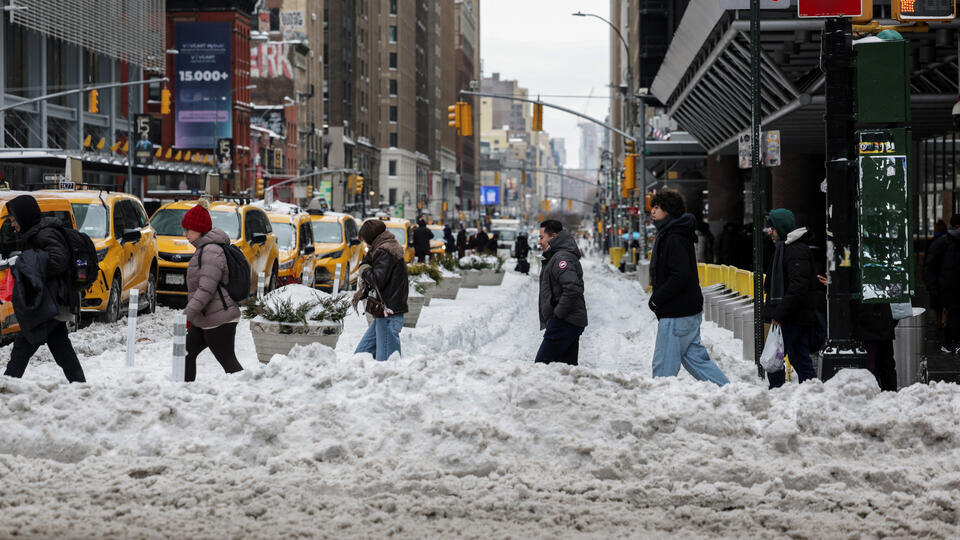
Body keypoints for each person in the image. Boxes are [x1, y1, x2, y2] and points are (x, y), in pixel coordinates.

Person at [647, 189, 729, 386]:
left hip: (676, 312)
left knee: (663, 369)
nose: (653, 211)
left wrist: (657, 298)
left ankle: (659, 402)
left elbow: (680, 275)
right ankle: (728, 391)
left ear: (669, 210)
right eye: (653, 207)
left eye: (657, 207)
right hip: (686, 310)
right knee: (696, 360)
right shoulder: (675, 233)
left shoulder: (673, 237)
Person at [3, 195, 85, 383]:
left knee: (24, 343)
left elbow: (58, 261)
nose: (13, 225)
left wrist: (26, 262)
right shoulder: (36, 233)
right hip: (53, 301)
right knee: (61, 347)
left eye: (14, 220)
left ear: (23, 217)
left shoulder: (44, 234)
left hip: (52, 301)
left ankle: (6, 386)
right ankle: (80, 385)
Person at [181, 199, 244, 382]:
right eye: (184, 229)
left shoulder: (210, 251)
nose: (185, 234)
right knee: (185, 353)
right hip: (205, 318)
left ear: (200, 229)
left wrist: (187, 314)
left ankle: (246, 393)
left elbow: (206, 289)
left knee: (228, 362)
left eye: (189, 230)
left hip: (219, 318)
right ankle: (183, 391)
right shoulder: (202, 249)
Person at [762, 208, 818, 388]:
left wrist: (780, 314)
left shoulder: (794, 251)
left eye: (772, 228)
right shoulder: (786, 249)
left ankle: (776, 392)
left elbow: (798, 286)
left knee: (773, 356)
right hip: (794, 315)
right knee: (799, 357)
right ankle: (811, 392)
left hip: (791, 316)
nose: (769, 232)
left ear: (781, 228)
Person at [353, 219, 408, 361]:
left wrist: (364, 270)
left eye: (365, 240)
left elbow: (378, 279)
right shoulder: (385, 248)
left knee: (386, 363)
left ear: (371, 238)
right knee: (360, 357)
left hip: (388, 313)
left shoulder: (384, 252)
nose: (365, 244)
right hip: (385, 313)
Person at [535, 220, 588, 365]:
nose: (539, 242)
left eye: (541, 237)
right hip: (568, 320)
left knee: (541, 367)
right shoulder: (557, 256)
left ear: (553, 237)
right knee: (565, 370)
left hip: (565, 321)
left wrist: (557, 315)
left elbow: (572, 289)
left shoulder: (561, 258)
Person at [923, 214, 960, 353]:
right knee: (953, 313)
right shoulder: (943, 242)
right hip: (947, 288)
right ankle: (951, 342)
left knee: (953, 314)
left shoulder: (942, 242)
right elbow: (930, 266)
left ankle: (949, 342)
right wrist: (932, 287)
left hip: (948, 286)